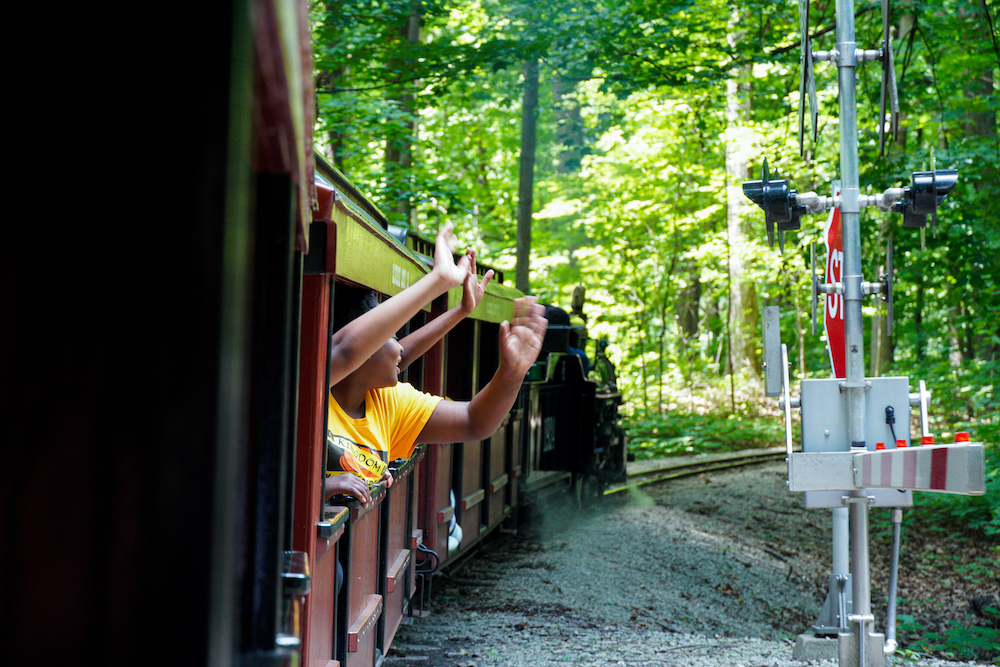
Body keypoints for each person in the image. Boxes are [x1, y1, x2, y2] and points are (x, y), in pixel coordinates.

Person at [324, 287, 547, 507]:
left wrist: (512, 372)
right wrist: (323, 488)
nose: (401, 348)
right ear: (365, 345)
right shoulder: (309, 396)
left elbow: (474, 421)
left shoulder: (388, 401)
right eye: (393, 336)